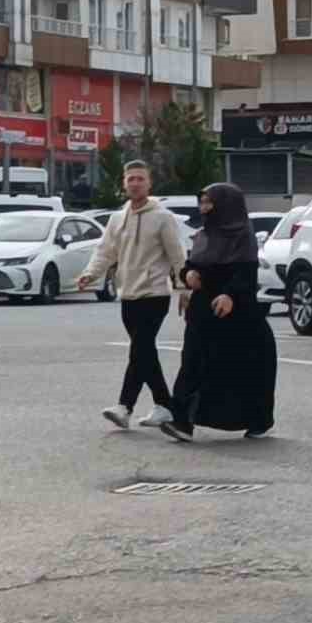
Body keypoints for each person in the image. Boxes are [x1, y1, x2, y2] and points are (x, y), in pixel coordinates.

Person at [159, 183, 278, 443]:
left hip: (236, 315)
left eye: (209, 203)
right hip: (203, 310)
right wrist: (188, 275)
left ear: (226, 206)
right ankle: (182, 421)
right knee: (192, 362)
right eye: (202, 202)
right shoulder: (203, 236)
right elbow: (190, 265)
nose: (204, 208)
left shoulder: (243, 237)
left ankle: (257, 419)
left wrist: (230, 295)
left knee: (244, 369)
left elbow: (245, 274)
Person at [77, 160, 188, 430]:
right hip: (127, 294)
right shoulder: (117, 218)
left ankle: (125, 406)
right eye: (131, 179)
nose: (135, 183)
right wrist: (90, 273)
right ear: (124, 184)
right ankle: (164, 406)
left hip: (155, 294)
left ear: (149, 184)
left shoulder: (163, 217)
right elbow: (106, 251)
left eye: (140, 178)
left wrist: (184, 288)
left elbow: (177, 255)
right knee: (144, 353)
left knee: (140, 349)